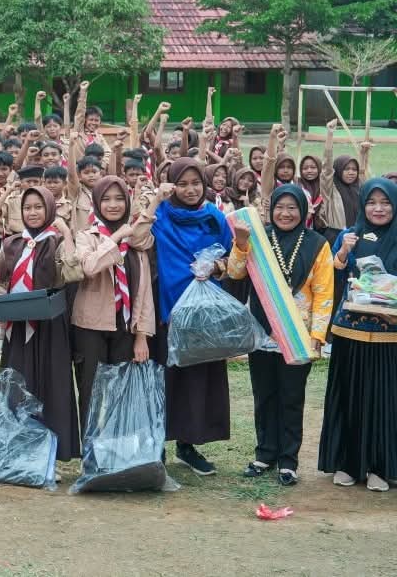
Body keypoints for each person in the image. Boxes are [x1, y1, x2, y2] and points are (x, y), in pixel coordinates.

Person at [229, 184, 332, 486]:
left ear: (303, 211)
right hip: (261, 332)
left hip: (298, 334)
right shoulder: (259, 239)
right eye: (280, 207)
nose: (285, 213)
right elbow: (235, 272)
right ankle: (265, 454)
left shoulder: (317, 244)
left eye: (292, 208)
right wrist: (240, 243)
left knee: (291, 398)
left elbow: (324, 292)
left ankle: (288, 462)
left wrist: (318, 333)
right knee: (264, 395)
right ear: (271, 209)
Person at [150, 157, 234, 476]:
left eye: (195, 183)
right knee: (165, 379)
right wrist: (155, 196)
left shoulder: (214, 217)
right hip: (168, 310)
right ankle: (156, 445)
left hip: (203, 313)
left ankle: (188, 445)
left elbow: (231, 258)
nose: (189, 190)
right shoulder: (161, 213)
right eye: (182, 184)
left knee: (197, 382)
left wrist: (216, 267)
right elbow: (139, 232)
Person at [319, 177, 397, 491]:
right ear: (363, 205)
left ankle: (380, 466)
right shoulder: (350, 235)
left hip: (390, 333)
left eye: (386, 202)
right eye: (371, 202)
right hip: (350, 330)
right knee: (349, 394)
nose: (378, 209)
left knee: (384, 398)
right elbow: (333, 270)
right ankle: (347, 463)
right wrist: (342, 253)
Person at [0, 186, 83, 462]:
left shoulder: (56, 241)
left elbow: (73, 271)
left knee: (49, 384)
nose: (32, 213)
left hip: (49, 326)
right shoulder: (11, 243)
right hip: (17, 326)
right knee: (18, 382)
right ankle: (15, 445)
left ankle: (51, 451)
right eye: (27, 208)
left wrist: (66, 233)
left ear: (49, 209)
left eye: (38, 207)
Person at [71, 176, 159, 429]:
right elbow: (90, 266)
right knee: (90, 391)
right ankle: (91, 451)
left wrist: (141, 335)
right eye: (106, 199)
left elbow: (143, 292)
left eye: (120, 199)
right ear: (97, 203)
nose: (113, 205)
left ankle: (117, 451)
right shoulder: (87, 236)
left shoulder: (137, 241)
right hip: (90, 326)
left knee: (122, 391)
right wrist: (116, 237)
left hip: (125, 326)